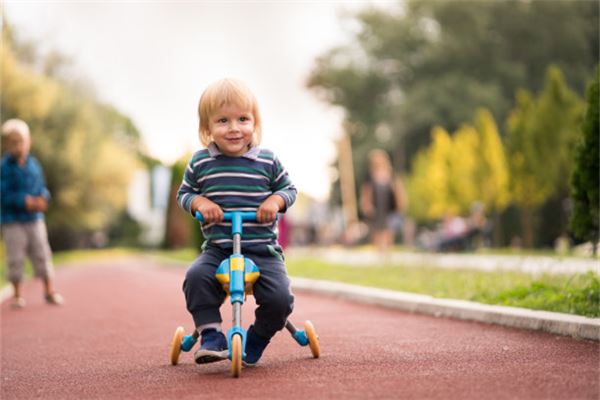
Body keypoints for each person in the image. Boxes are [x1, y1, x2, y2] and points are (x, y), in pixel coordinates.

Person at [177, 79, 297, 367]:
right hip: (218, 248)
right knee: (195, 277)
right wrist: (200, 203)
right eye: (223, 120)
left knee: (280, 299)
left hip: (262, 250)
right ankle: (211, 336)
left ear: (254, 123)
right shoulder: (200, 162)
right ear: (207, 128)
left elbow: (289, 190)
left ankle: (256, 338)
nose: (234, 128)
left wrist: (274, 203)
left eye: (242, 119)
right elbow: (185, 194)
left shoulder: (267, 161)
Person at [1, 119, 64, 309]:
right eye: (13, 142)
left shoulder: (34, 165)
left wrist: (44, 198)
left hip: (35, 219)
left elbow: (41, 187)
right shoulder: (4, 168)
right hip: (13, 221)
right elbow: (3, 193)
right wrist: (23, 200)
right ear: (6, 144)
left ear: (29, 142)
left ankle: (49, 290)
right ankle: (17, 295)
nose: (18, 146)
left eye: (21, 141)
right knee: (15, 257)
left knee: (43, 253)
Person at [359, 149, 406, 253]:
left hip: (389, 207)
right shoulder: (369, 176)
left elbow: (398, 190)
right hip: (376, 208)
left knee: (388, 231)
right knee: (377, 231)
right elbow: (366, 192)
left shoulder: (391, 174)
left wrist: (401, 204)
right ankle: (379, 253)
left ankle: (387, 254)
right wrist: (366, 205)